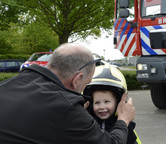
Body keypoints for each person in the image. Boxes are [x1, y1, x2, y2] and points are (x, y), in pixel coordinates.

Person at [0, 43, 135, 144]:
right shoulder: (66, 108)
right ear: (77, 80)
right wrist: (123, 119)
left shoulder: (7, 85)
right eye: (86, 83)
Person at [83, 64, 141, 144]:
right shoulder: (86, 124)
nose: (102, 107)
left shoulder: (126, 126)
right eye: (97, 102)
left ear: (118, 103)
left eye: (106, 102)